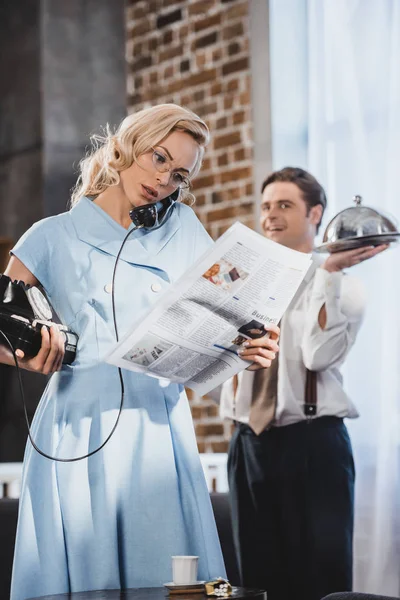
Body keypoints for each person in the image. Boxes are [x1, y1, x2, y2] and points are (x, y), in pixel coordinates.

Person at [0, 104, 280, 600]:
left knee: (172, 578)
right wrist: (24, 353)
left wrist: (250, 343)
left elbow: (225, 314)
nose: (162, 180)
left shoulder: (186, 230)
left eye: (178, 175)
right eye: (157, 158)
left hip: (160, 426)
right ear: (127, 147)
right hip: (76, 427)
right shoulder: (49, 237)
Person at [219, 167, 388, 600]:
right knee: (254, 583)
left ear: (315, 213)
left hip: (314, 448)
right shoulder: (242, 287)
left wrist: (328, 273)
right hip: (248, 446)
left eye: (284, 205)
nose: (271, 216)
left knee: (320, 582)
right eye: (266, 206)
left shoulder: (345, 288)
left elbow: (318, 356)